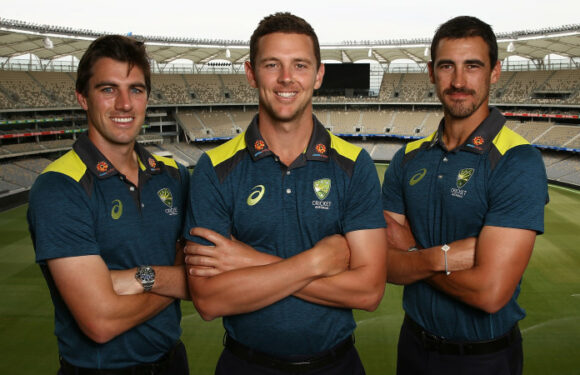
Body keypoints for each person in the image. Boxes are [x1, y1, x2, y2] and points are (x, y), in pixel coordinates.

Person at [183, 12, 387, 375]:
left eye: (300, 65)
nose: (286, 79)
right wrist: (316, 263)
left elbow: (368, 292)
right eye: (272, 64)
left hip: (336, 366)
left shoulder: (355, 165)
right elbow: (209, 300)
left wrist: (247, 260)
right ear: (250, 73)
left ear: (319, 75)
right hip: (246, 366)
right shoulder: (213, 170)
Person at [382, 16, 548, 375]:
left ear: (494, 72)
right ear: (431, 72)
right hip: (412, 347)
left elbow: (489, 292)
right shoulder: (407, 158)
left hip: (484, 359)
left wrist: (412, 256)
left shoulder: (518, 160)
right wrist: (443, 257)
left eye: (472, 66)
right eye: (447, 66)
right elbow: (381, 261)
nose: (458, 81)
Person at [27, 35, 190, 374]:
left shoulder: (175, 176)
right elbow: (100, 321)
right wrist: (176, 281)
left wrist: (140, 278)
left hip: (174, 363)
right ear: (82, 98)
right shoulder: (60, 187)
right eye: (108, 89)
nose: (124, 104)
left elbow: (206, 275)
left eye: (136, 89)